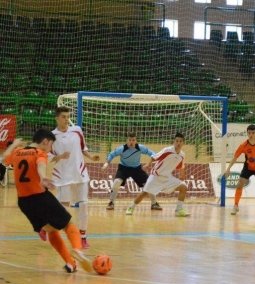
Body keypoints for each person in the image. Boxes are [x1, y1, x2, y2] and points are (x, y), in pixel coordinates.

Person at [1, 129, 92, 273]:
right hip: (40, 197)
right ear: (45, 141)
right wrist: (43, 177)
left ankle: (70, 263)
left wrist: (14, 145)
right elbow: (40, 165)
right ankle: (78, 250)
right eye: (50, 145)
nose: (50, 149)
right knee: (68, 224)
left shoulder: (17, 152)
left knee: (51, 230)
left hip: (24, 202)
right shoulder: (39, 153)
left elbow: (4, 158)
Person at [47, 106, 100, 248]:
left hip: (80, 173)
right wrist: (60, 156)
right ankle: (47, 226)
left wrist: (91, 157)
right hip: (64, 175)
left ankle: (83, 236)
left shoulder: (77, 130)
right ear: (57, 118)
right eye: (63, 117)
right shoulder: (52, 136)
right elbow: (48, 156)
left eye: (67, 116)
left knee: (83, 205)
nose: (66, 119)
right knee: (64, 208)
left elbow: (83, 148)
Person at [125, 132, 190, 217]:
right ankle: (131, 207)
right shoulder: (168, 150)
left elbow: (181, 166)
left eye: (180, 141)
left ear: (183, 143)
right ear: (173, 142)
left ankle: (179, 210)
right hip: (156, 176)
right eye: (177, 141)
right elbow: (154, 157)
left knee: (183, 187)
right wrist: (148, 165)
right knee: (144, 193)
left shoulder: (182, 155)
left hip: (167, 178)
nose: (178, 143)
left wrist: (182, 175)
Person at [101, 132, 162, 211]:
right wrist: (106, 164)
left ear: (136, 141)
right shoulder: (122, 148)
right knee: (116, 182)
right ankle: (111, 202)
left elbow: (152, 153)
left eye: (133, 140)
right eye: (130, 140)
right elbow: (111, 154)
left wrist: (152, 162)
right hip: (123, 168)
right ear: (127, 141)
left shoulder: (140, 147)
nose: (131, 142)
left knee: (149, 184)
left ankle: (154, 204)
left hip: (136, 169)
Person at [224, 124, 255, 215]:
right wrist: (228, 169)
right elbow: (235, 157)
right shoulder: (244, 145)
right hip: (248, 167)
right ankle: (235, 206)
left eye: (253, 133)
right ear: (247, 133)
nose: (251, 135)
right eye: (249, 133)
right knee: (240, 184)